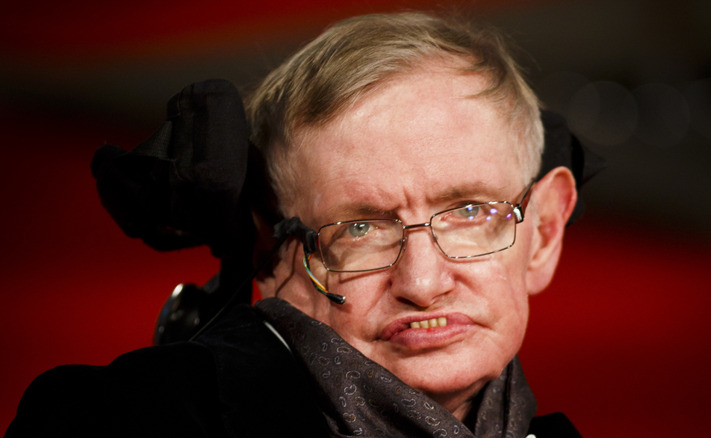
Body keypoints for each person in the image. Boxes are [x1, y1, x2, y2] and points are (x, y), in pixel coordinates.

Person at [7, 11, 596, 438]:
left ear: (543, 232)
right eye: (360, 228)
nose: (422, 282)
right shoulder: (113, 423)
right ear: (274, 252)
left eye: (469, 212)